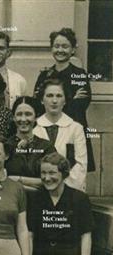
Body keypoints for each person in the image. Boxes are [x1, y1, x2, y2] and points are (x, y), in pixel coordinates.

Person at [33, 28, 94, 172]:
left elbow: (81, 105)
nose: (60, 50)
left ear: (73, 49)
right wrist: (69, 100)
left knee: (73, 169)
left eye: (65, 46)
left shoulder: (79, 75)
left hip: (73, 128)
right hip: (47, 130)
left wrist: (54, 106)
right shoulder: (44, 75)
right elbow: (38, 104)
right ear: (51, 48)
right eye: (56, 46)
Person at [33, 78, 88, 192]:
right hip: (39, 191)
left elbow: (81, 165)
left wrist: (61, 187)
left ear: (65, 101)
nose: (54, 100)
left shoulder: (76, 128)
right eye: (49, 95)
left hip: (70, 190)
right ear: (42, 100)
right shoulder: (33, 128)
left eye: (59, 96)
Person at [6, 96, 56, 190]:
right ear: (13, 117)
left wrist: (18, 180)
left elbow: (53, 179)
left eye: (28, 114)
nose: (23, 119)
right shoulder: (5, 146)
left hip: (39, 201)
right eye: (19, 114)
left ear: (36, 117)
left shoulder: (46, 147)